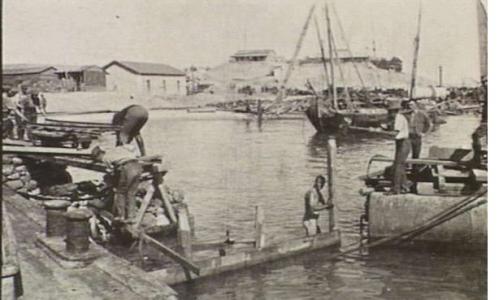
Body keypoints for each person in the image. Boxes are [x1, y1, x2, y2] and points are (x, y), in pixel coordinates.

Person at [91, 144, 143, 223]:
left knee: (120, 193)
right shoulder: (115, 150)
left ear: (99, 154)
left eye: (98, 159)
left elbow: (111, 172)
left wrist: (110, 182)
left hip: (127, 167)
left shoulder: (105, 157)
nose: (99, 160)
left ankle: (120, 216)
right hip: (138, 166)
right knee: (131, 193)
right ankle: (131, 217)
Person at [388, 100, 411, 195]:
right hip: (401, 143)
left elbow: (395, 133)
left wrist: (379, 133)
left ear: (395, 111)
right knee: (399, 165)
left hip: (404, 143)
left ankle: (396, 189)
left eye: (390, 112)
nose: (389, 114)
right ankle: (405, 186)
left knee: (398, 166)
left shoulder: (398, 118)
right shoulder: (398, 118)